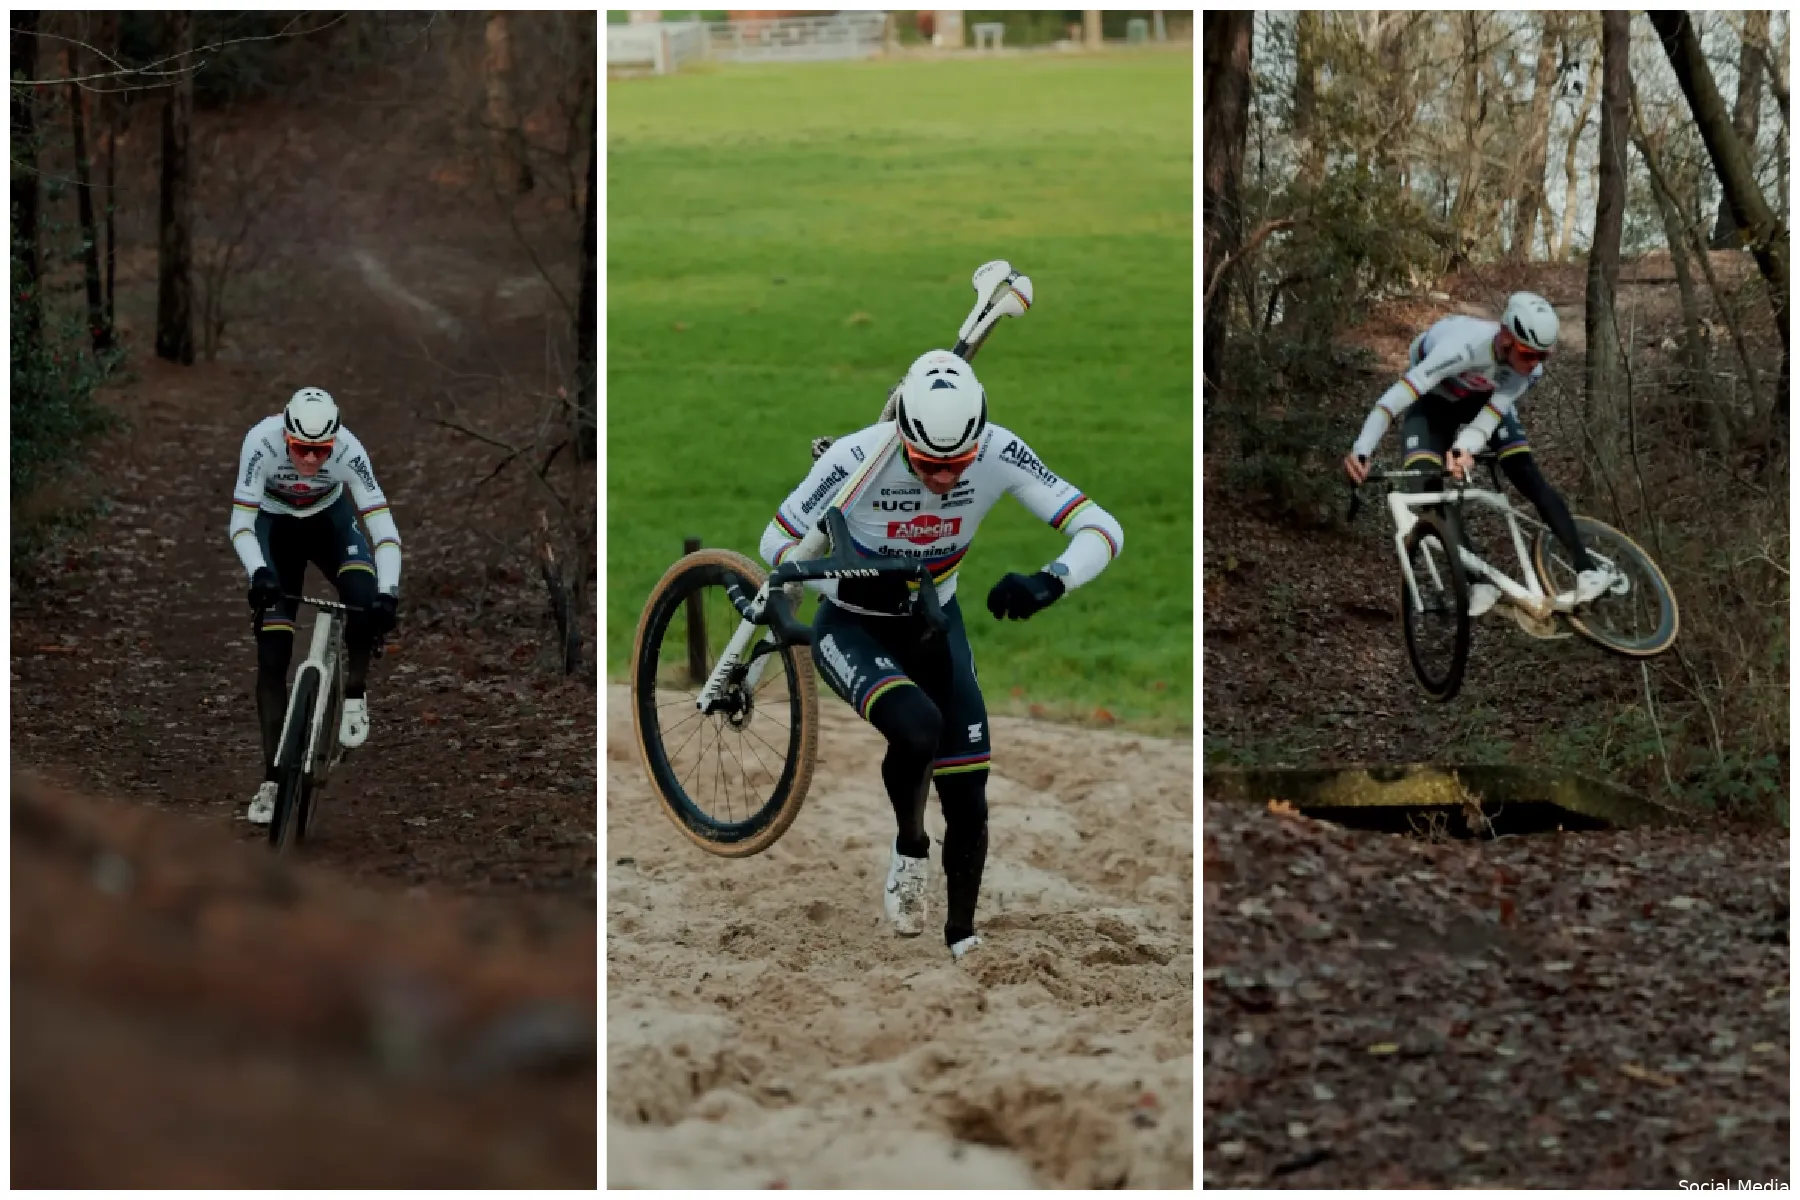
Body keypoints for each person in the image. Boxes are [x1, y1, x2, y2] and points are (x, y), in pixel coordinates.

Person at [761, 350, 1124, 960]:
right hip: (852, 625)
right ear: (904, 436)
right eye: (930, 465)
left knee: (968, 791)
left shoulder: (999, 451)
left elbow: (1104, 528)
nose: (946, 479)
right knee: (917, 727)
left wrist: (1050, 581)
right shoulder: (857, 455)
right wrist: (850, 585)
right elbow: (776, 543)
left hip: (935, 622)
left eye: (959, 464)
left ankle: (962, 936)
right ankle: (910, 848)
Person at [1342, 291, 1608, 616]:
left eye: (1544, 356)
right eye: (1528, 354)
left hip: (1481, 401)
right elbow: (1393, 400)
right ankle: (1476, 581)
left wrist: (1463, 448)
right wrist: (1362, 449)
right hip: (1433, 402)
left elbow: (1490, 416)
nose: (1534, 364)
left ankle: (1587, 570)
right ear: (1506, 338)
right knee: (1426, 488)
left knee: (1525, 473)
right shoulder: (1459, 348)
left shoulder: (1528, 371)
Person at [229, 387, 402, 824]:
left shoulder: (349, 451)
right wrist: (258, 573)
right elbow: (242, 523)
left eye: (320, 450)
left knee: (364, 599)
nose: (309, 459)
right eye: (300, 448)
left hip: (330, 523)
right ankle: (272, 781)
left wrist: (389, 593)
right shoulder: (261, 441)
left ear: (334, 442)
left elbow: (383, 528)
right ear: (285, 436)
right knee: (272, 654)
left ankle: (355, 693)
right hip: (275, 528)